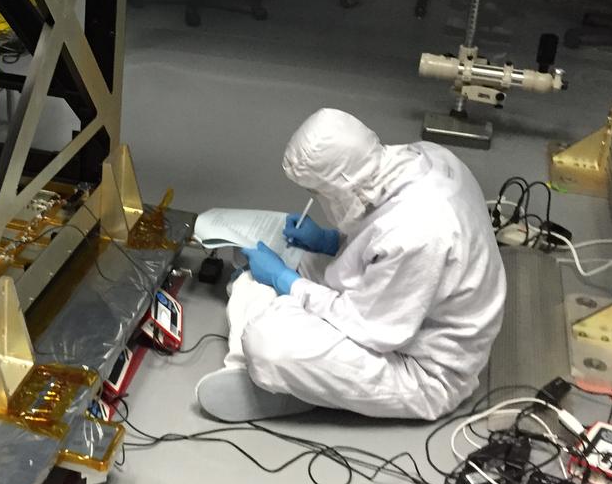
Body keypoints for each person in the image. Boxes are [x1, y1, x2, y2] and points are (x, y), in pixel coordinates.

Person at [195, 109, 506, 422]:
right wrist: (330, 241)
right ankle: (283, 373)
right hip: (399, 304)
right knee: (269, 258)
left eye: (317, 193)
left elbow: (372, 328)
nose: (315, 200)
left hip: (421, 367)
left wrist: (283, 280)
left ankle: (265, 371)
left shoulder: (418, 230)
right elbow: (376, 231)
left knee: (268, 342)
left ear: (342, 188)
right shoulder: (424, 158)